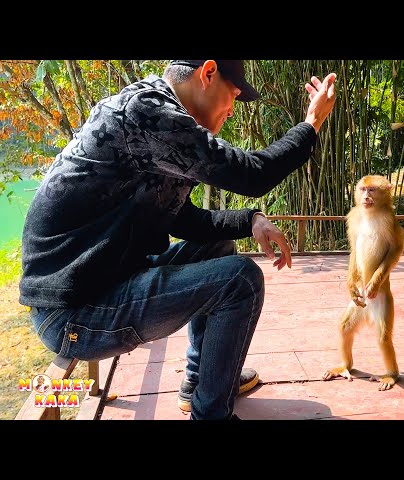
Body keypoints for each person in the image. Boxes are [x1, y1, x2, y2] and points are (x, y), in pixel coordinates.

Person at [19, 59, 337, 420]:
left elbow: (183, 219)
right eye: (232, 95)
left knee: (217, 249)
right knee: (240, 279)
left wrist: (250, 220)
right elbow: (254, 176)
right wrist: (312, 124)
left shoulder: (160, 124)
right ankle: (211, 414)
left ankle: (199, 382)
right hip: (74, 314)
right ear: (208, 74)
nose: (232, 110)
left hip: (107, 282)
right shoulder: (147, 111)